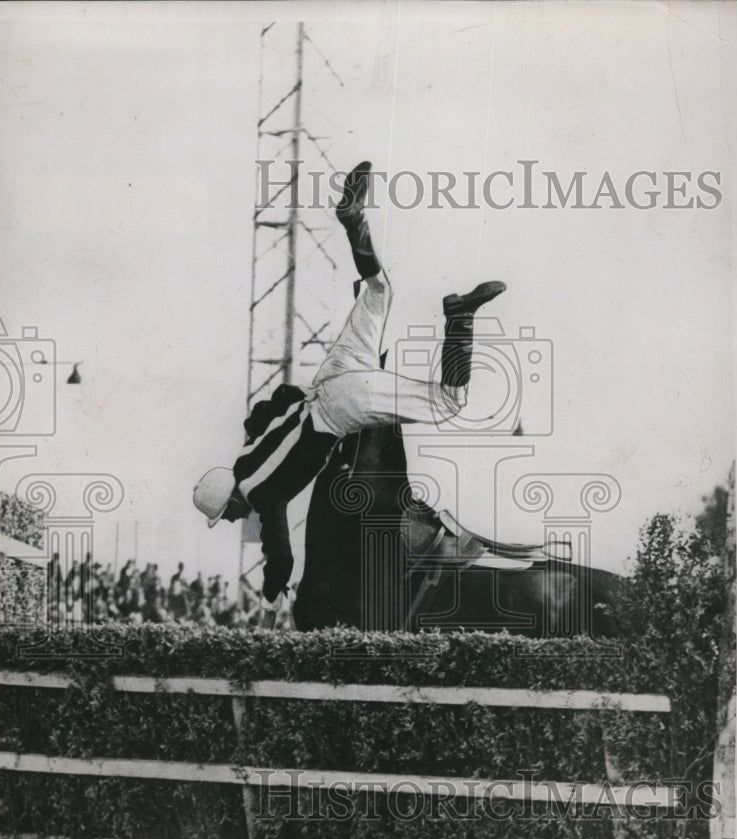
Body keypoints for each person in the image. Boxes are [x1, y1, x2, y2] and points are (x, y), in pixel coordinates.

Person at [193, 161, 506, 616]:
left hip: (342, 407)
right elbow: (278, 399)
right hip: (327, 378)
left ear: (232, 501)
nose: (236, 519)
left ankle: (460, 317)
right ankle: (353, 219)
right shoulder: (247, 451)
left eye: (229, 514)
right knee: (378, 290)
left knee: (451, 402)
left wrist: (269, 596)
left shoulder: (261, 493)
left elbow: (281, 556)